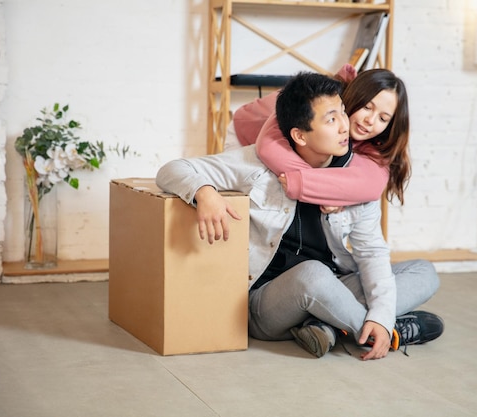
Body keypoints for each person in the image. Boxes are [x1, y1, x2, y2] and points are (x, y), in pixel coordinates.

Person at [156, 72, 442, 360]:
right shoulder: (257, 164)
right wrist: (204, 192)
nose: (346, 126)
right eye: (332, 119)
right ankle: (386, 333)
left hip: (332, 283)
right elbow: (171, 170)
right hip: (267, 302)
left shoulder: (355, 179)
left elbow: (372, 253)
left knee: (423, 272)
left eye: (343, 112)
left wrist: (380, 313)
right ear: (299, 134)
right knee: (312, 275)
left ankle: (329, 325)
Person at [227, 65, 410, 208]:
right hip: (246, 133)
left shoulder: (370, 139)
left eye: (383, 118)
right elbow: (269, 146)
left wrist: (331, 194)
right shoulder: (320, 97)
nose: (370, 120)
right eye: (367, 107)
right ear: (355, 95)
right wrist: (322, 190)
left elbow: (371, 184)